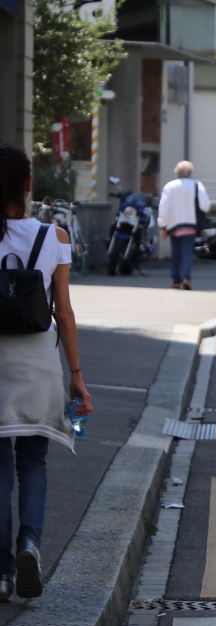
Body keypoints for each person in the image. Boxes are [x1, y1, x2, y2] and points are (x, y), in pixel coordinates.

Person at [0, 144, 92, 601]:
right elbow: (65, 312)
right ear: (28, 185)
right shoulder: (54, 238)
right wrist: (76, 374)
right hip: (39, 361)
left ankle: (0, 573)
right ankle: (30, 544)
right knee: (33, 462)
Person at [157, 160, 210, 290]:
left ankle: (175, 280)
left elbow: (164, 207)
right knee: (187, 252)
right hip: (190, 224)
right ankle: (186, 277)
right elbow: (205, 205)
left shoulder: (169, 186)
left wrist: (163, 226)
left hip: (173, 225)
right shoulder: (197, 185)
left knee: (175, 252)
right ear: (190, 173)